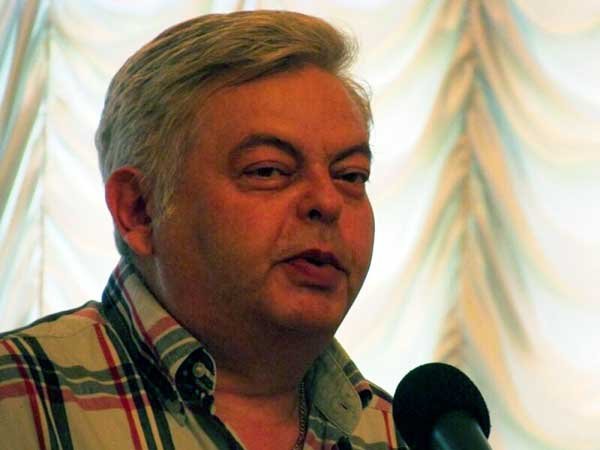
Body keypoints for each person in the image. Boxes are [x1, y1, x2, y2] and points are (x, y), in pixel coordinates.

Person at [0, 10, 407, 450]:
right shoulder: (18, 399)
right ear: (139, 210)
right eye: (268, 170)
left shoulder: (398, 435)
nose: (327, 202)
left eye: (350, 175)